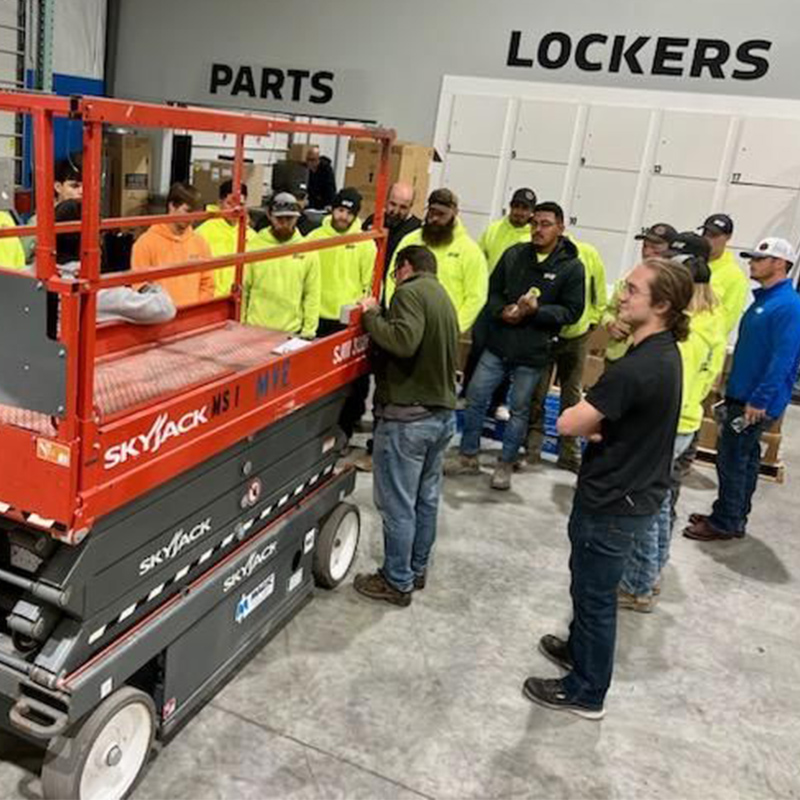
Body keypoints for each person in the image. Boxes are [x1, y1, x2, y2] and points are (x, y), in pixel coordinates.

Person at [523, 257, 692, 720]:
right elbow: (612, 420)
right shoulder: (657, 353)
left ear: (661, 304)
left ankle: (586, 690)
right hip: (628, 490)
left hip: (615, 500)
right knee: (586, 584)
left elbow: (568, 420)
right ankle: (578, 650)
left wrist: (590, 418)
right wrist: (599, 422)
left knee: (596, 598)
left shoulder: (638, 369)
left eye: (633, 290)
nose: (621, 294)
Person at [618, 233, 725, 611]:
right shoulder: (714, 315)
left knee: (647, 507)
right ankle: (654, 572)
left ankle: (638, 585)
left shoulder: (686, 327)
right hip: (690, 419)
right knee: (661, 503)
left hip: (670, 423)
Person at [445, 201, 585, 491]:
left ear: (561, 227)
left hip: (533, 352)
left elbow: (572, 311)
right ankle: (468, 455)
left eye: (545, 224)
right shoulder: (514, 255)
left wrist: (537, 312)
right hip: (499, 344)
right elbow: (492, 291)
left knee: (519, 409)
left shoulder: (571, 268)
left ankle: (505, 463)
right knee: (475, 396)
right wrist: (501, 311)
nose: (537, 229)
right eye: (534, 223)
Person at [352, 245, 459, 606]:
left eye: (396, 272)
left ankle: (397, 582)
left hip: (408, 420)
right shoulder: (442, 296)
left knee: (397, 504)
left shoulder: (409, 292)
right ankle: (415, 569)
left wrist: (371, 315)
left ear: (405, 268)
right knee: (425, 500)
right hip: (441, 417)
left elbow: (403, 340)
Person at [684, 237, 800, 542]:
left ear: (780, 264)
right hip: (744, 394)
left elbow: (783, 360)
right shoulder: (767, 300)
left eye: (760, 259)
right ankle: (732, 515)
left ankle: (725, 522)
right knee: (744, 460)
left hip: (754, 401)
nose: (753, 263)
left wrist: (759, 400)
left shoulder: (787, 306)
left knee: (733, 460)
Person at [526, 210, 608, 472]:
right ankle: (532, 450)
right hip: (546, 333)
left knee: (571, 396)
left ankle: (569, 455)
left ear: (561, 229)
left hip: (576, 337)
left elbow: (598, 293)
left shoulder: (588, 254)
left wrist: (590, 320)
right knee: (536, 393)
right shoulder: (541, 255)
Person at [306, 188, 376, 438]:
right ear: (332, 209)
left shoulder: (365, 244)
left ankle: (346, 426)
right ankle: (317, 428)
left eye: (348, 212)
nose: (343, 216)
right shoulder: (314, 238)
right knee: (318, 380)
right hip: (318, 319)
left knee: (353, 380)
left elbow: (368, 284)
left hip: (348, 322)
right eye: (340, 210)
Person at [55, 200, 175, 325]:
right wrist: (147, 287)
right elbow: (165, 308)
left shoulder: (37, 281)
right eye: (99, 237)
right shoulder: (101, 294)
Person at [387, 189, 488, 334]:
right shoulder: (410, 241)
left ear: (454, 213)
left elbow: (476, 296)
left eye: (441, 214)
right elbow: (392, 279)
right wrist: (396, 315)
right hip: (407, 328)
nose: (434, 218)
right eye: (432, 212)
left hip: (444, 333)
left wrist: (454, 329)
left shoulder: (470, 251)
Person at [243, 192, 320, 339]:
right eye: (279, 218)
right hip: (254, 330)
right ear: (270, 216)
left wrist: (309, 331)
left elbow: (312, 294)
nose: (284, 223)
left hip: (291, 331)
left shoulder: (308, 251)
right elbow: (244, 289)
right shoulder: (254, 247)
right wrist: (241, 325)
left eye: (289, 218)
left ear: (297, 218)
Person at [602, 223, 677, 364]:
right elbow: (608, 310)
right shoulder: (631, 277)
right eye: (645, 246)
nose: (647, 252)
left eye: (655, 249)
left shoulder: (673, 288)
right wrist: (610, 324)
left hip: (647, 361)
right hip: (616, 357)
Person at [131, 182, 215, 307]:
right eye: (187, 211)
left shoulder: (200, 243)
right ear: (172, 206)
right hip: (161, 320)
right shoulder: (145, 243)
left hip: (191, 319)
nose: (191, 218)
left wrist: (195, 311)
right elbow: (140, 286)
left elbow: (207, 284)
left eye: (194, 214)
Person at [196, 180, 256, 297]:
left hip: (240, 306)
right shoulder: (201, 234)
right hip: (212, 305)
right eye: (230, 204)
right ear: (219, 203)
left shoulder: (253, 236)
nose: (235, 210)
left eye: (241, 205)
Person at [23, 155, 84, 263]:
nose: (81, 191)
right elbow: (24, 256)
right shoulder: (39, 220)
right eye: (75, 186)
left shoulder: (88, 218)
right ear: (58, 187)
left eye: (85, 186)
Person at [700, 213, 749, 337]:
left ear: (728, 237)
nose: (708, 239)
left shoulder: (735, 276)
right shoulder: (691, 263)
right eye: (706, 234)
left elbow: (726, 322)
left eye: (714, 236)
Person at [362, 182, 422, 271]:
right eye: (393, 204)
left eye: (403, 207)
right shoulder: (374, 221)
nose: (396, 211)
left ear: (411, 206)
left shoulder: (417, 229)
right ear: (386, 200)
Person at [478, 188, 537, 273]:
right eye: (516, 206)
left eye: (525, 208)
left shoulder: (534, 235)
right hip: (489, 284)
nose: (519, 212)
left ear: (532, 211)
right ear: (510, 206)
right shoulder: (494, 228)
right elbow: (478, 257)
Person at [305, 144, 337, 211]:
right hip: (311, 200)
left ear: (318, 159)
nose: (310, 162)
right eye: (308, 160)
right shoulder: (307, 169)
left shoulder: (326, 169)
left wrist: (329, 204)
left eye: (312, 160)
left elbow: (330, 187)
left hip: (324, 201)